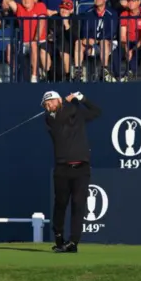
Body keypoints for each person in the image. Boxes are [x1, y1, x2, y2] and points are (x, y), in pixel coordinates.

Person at [42, 90, 101, 253]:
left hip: (81, 168)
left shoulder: (77, 114)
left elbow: (97, 111)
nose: (48, 106)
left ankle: (73, 242)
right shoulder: (50, 119)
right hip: (62, 169)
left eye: (51, 102)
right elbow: (65, 114)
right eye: (46, 104)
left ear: (59, 100)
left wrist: (83, 98)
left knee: (78, 204)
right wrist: (74, 101)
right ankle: (59, 237)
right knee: (60, 204)